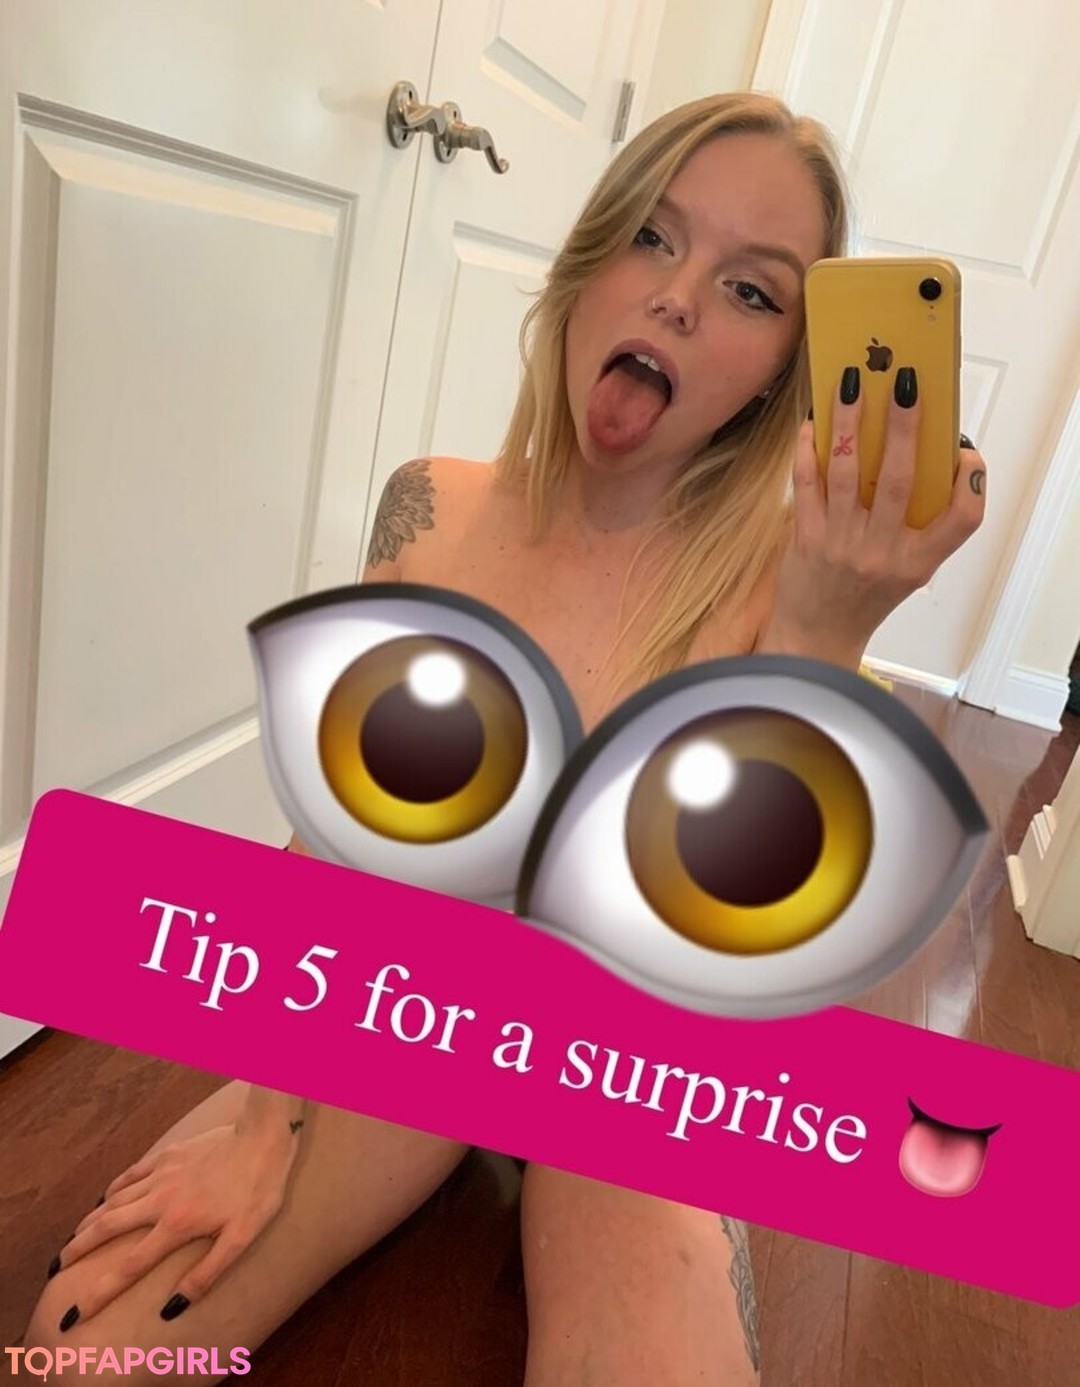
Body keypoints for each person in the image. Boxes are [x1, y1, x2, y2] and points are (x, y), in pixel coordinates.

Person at [23, 92, 985, 1384]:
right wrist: (265, 1112)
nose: (677, 299)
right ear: (587, 259)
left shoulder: (790, 587)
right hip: (415, 1007)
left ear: (781, 373)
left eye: (753, 292)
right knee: (79, 1357)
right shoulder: (430, 511)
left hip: (634, 1059)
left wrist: (823, 631)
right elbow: (333, 832)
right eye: (653, 236)